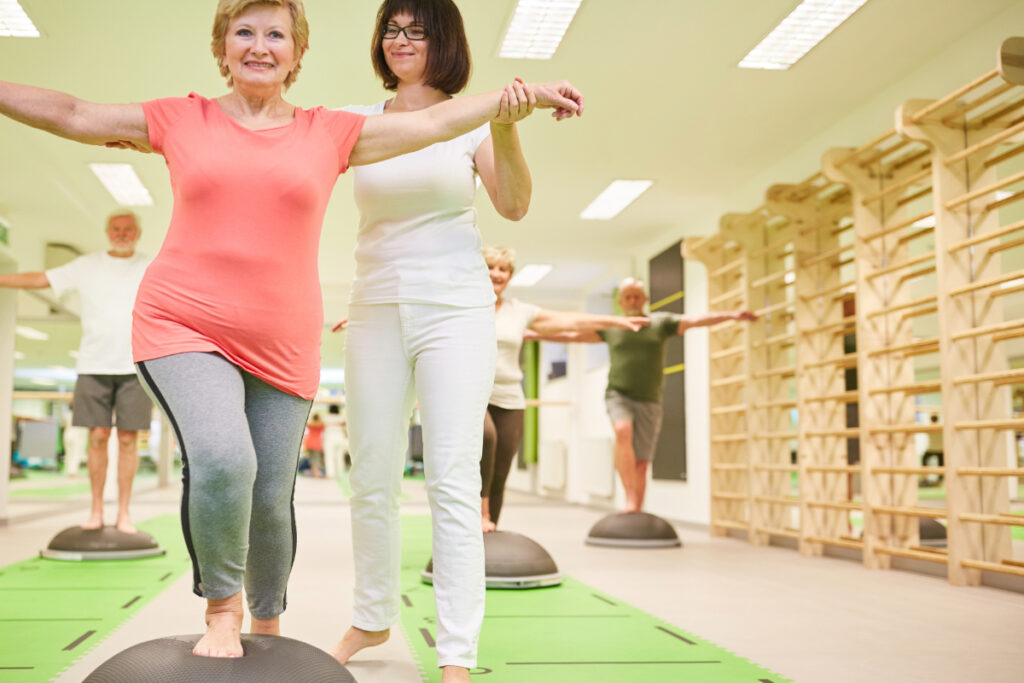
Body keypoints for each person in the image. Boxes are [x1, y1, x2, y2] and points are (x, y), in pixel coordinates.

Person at [0, 0, 582, 661]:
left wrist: (518, 100)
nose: (258, 45)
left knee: (274, 495)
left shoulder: (327, 132)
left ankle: (269, 622)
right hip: (186, 321)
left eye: (275, 34)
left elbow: (440, 122)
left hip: (292, 338)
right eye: (243, 32)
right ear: (221, 47)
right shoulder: (182, 117)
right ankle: (224, 608)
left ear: (298, 53)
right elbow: (76, 114)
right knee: (227, 459)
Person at [328, 2, 583, 680]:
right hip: (375, 305)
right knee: (372, 474)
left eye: (416, 28)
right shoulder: (360, 119)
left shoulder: (470, 118)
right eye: (391, 28)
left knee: (450, 476)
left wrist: (503, 125)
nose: (401, 39)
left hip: (456, 309)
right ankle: (371, 613)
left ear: (444, 40)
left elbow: (515, 204)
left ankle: (457, 654)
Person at [539, 278, 756, 513]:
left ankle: (636, 510)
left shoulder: (659, 323)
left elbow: (694, 320)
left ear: (645, 299)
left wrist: (732, 315)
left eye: (637, 296)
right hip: (618, 393)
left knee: (642, 463)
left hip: (650, 399)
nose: (632, 301)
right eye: (628, 297)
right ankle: (629, 499)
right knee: (622, 431)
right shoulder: (612, 327)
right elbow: (572, 336)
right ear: (621, 302)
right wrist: (533, 334)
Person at [0, 211, 152, 533]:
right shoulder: (87, 266)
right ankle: (96, 510)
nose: (121, 234)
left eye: (127, 229)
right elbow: (42, 278)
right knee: (97, 437)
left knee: (128, 439)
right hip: (93, 365)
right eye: (116, 229)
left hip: (136, 364)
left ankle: (124, 513)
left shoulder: (149, 266)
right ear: (107, 231)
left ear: (137, 233)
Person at [480, 246, 647, 532]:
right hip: (475, 395)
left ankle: (489, 531)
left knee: (500, 471)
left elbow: (567, 320)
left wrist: (615, 320)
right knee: (487, 439)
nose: (497, 274)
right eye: (490, 267)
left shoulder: (519, 311)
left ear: (509, 276)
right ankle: (478, 517)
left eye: (503, 269)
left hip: (510, 398)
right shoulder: (464, 307)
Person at [303, 413, 326, 478]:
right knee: (317, 458)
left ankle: (316, 473)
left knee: (312, 458)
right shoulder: (321, 424)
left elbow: (306, 423)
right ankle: (317, 473)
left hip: (309, 442)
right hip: (317, 443)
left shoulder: (310, 424)